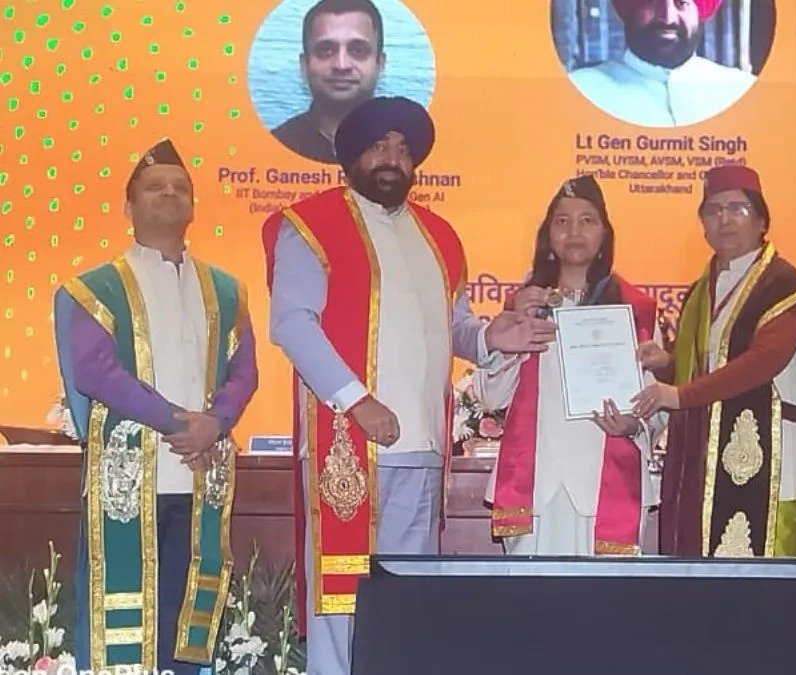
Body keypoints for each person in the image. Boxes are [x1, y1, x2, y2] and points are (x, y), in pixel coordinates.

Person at [262, 96, 557, 674]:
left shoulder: (439, 236)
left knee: (405, 601)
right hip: (349, 444)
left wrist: (493, 336)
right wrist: (357, 401)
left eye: (403, 149)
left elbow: (455, 328)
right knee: (342, 598)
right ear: (351, 157)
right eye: (378, 146)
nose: (392, 159)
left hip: (423, 449)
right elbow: (291, 324)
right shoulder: (311, 224)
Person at [53, 139, 258, 674]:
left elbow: (244, 372)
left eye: (180, 187)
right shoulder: (91, 289)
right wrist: (180, 424)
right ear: (128, 207)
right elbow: (96, 372)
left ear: (193, 205)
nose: (169, 194)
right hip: (128, 482)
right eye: (154, 187)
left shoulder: (227, 290)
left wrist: (216, 423)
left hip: (201, 479)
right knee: (121, 629)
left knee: (186, 627)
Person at [631, 165, 796, 557]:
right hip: (705, 458)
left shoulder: (784, 287)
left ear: (761, 220)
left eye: (737, 208)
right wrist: (667, 364)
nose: (724, 219)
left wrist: (678, 395)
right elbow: (711, 367)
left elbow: (762, 362)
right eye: (713, 210)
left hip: (771, 454)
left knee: (766, 580)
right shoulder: (701, 290)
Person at [476, 175, 666, 555]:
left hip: (608, 481)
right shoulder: (525, 304)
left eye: (587, 220)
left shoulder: (635, 310)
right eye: (562, 221)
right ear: (548, 235)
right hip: (536, 483)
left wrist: (633, 425)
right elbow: (491, 396)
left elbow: (657, 407)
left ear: (604, 234)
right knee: (533, 592)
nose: (574, 232)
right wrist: (516, 331)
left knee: (603, 594)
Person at [568, 0, 756, 127]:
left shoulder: (745, 92)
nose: (668, 18)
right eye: (653, 2)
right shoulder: (578, 91)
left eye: (682, 3)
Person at [272, 0, 386, 163]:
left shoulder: (410, 146)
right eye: (326, 50)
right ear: (304, 65)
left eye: (357, 50)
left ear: (380, 64)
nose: (341, 65)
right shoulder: (273, 146)